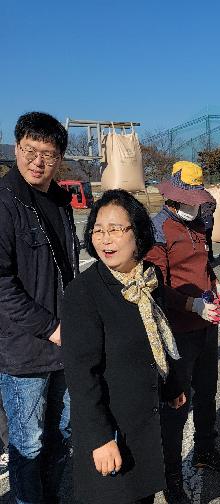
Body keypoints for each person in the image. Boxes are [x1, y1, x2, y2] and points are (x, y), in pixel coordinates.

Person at [61, 190, 186, 504]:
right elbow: (81, 376)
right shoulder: (83, 292)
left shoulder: (148, 278)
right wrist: (99, 438)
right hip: (111, 428)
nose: (106, 239)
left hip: (142, 423)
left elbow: (158, 332)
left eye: (116, 229)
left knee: (142, 495)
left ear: (139, 232)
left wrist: (171, 385)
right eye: (99, 230)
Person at [0, 112, 78, 503]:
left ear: (59, 157)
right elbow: (1, 284)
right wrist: (50, 327)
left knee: (62, 432)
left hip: (66, 342)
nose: (37, 161)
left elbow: (68, 269)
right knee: (28, 443)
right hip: (26, 349)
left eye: (47, 153)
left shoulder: (61, 201)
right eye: (29, 150)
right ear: (16, 148)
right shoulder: (5, 203)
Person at [146, 161, 220, 504]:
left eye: (198, 198)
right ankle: (171, 477)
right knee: (177, 405)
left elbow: (205, 265)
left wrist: (216, 285)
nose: (195, 204)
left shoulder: (197, 224)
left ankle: (205, 450)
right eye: (189, 198)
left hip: (206, 327)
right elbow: (156, 288)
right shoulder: (158, 231)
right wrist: (192, 306)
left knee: (207, 393)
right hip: (177, 333)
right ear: (173, 195)